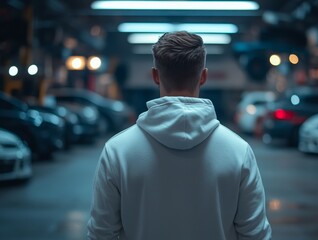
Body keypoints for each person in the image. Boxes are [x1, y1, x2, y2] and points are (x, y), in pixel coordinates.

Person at [87, 31, 271, 240]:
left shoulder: (117, 151)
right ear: (203, 77)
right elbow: (255, 235)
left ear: (155, 76)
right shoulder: (239, 151)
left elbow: (101, 234)